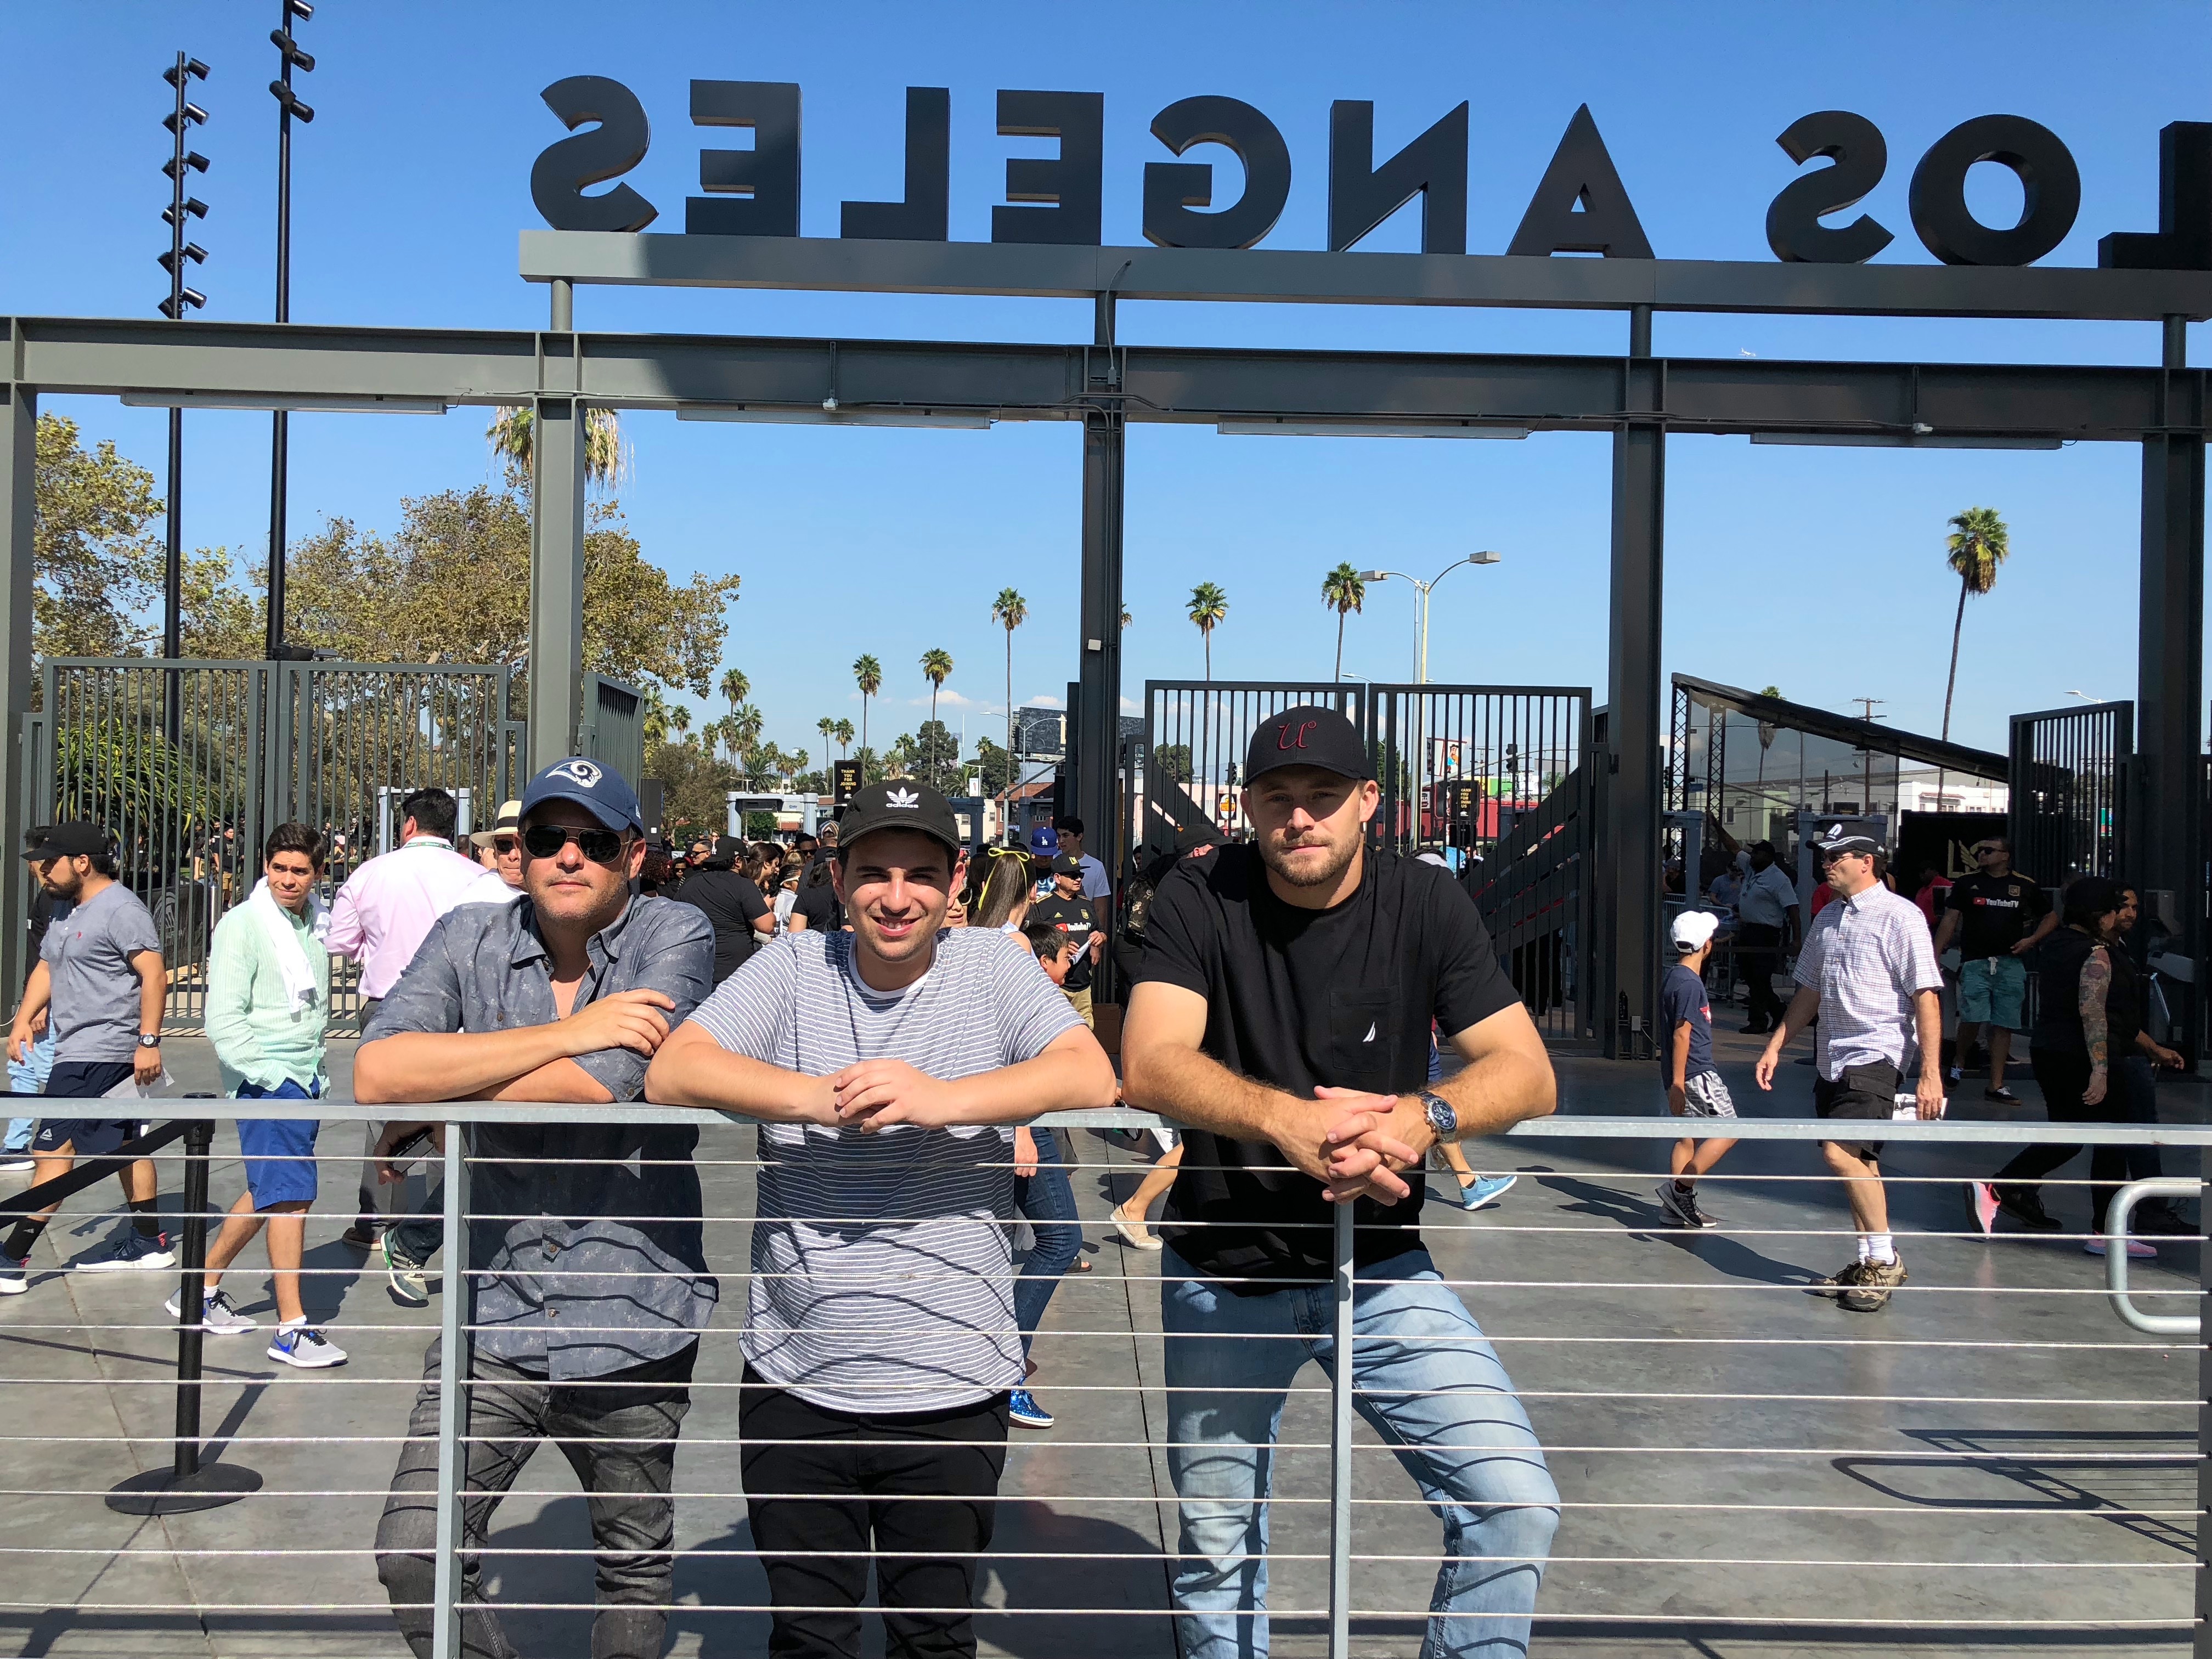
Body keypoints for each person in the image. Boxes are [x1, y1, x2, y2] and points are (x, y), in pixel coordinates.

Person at [1120, 704, 1561, 1659]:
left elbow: (1528, 1072)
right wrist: (1289, 1122)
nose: (1299, 818)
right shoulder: (1202, 894)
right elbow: (1149, 1061)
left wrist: (1419, 1116)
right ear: (1247, 806)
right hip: (1224, 1269)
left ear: (1368, 801)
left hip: (1382, 1263)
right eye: (1277, 797)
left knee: (1512, 1501)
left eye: (1322, 795)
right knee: (1217, 1546)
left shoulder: (1426, 901)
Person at [644, 780, 1116, 1659]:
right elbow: (675, 1068)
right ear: (838, 877)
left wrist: (942, 1099)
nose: (897, 898)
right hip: (796, 1380)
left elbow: (1088, 1073)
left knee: (932, 1637)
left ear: (957, 879)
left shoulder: (993, 966)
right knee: (807, 1637)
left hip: (952, 1385)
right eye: (874, 874)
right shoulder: (796, 967)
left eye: (920, 875)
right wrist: (816, 1098)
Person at [359, 757, 716, 1659]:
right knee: (413, 1551)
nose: (568, 855)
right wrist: (570, 1031)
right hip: (493, 1317)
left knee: (632, 1574)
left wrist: (447, 1087)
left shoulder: (674, 932)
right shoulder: (467, 934)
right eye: (548, 837)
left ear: (634, 854)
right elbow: (377, 1070)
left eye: (594, 840)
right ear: (518, 851)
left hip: (633, 1318)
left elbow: (605, 1084)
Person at [171, 822, 345, 1367]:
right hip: (269, 1082)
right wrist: (271, 1079)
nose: (287, 880)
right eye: (278, 869)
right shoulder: (242, 925)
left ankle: (198, 1289)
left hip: (307, 1077)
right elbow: (223, 1021)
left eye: (299, 871)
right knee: (292, 1198)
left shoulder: (317, 923)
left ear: (319, 874)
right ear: (265, 867)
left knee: (267, 1187)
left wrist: (308, 1078)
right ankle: (291, 1330)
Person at [1754, 824, 1944, 1314]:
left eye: (1836, 856)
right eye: (1824, 855)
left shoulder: (1901, 916)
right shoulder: (1828, 917)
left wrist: (1931, 1072)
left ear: (1867, 861)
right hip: (1833, 1056)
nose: (1827, 863)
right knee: (1863, 1162)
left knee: (1839, 1153)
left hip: (1877, 1054)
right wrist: (1776, 1045)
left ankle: (1885, 1260)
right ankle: (1867, 1263)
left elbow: (1925, 995)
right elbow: (1810, 991)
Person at [326, 786, 513, 1250]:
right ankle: (442, 1222)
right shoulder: (477, 878)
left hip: (388, 1004)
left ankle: (377, 1222)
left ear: (409, 824)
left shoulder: (371, 873)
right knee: (450, 1114)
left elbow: (340, 941)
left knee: (383, 1111)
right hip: (458, 1007)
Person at [1966, 876, 2180, 1252]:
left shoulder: (2059, 944)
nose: (2121, 916)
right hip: (2082, 1055)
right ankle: (2105, 1231)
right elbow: (2093, 1013)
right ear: (2100, 915)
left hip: (2053, 1052)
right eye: (2115, 909)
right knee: (2110, 1140)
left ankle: (2004, 1187)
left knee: (2071, 1134)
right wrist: (2100, 1069)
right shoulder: (2096, 954)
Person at [0, 823, 172, 1288]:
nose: (42, 872)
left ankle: (10, 1258)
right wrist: (23, 1018)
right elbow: (46, 966)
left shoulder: (122, 909)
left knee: (52, 1151)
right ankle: (149, 1241)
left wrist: (149, 1042)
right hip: (75, 1047)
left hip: (105, 1050)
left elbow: (154, 975)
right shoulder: (64, 907)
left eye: (50, 863)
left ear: (82, 863)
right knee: (125, 1146)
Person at [1007, 919, 1086, 1429]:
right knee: (1061, 1239)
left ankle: (1000, 1363)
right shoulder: (1009, 948)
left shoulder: (993, 946)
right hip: (1018, 1125)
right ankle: (1006, 1368)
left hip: (1019, 1121)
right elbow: (1007, 1050)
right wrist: (1019, 1127)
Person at [1933, 836, 2054, 1105]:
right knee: (1972, 1018)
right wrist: (1934, 955)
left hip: (2010, 962)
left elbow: (2051, 915)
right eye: (1980, 850)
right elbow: (1950, 921)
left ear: (2005, 855)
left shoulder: (2024, 885)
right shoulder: (1967, 883)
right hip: (1975, 961)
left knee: (2004, 1023)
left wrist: (2032, 940)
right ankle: (1959, 1061)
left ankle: (1996, 1084)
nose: (1982, 854)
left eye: (1989, 850)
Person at [1656, 910, 1737, 1228]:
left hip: (1679, 1071)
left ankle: (1673, 1209)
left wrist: (1674, 1080)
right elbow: (1682, 1033)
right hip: (1696, 1071)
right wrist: (1679, 1083)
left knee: (1686, 1137)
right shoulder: (1691, 985)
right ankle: (1680, 1190)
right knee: (1731, 1129)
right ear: (1707, 946)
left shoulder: (1675, 977)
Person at [3, 827, 60, 1173]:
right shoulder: (49, 896)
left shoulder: (54, 899)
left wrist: (39, 1005)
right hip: (41, 1001)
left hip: (47, 1003)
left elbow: (50, 958)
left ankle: (120, 1118)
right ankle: (15, 1144)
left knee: (46, 1070)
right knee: (24, 1066)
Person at [670, 834, 774, 983]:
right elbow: (767, 926)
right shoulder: (743, 885)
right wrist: (766, 907)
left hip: (696, 968)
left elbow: (673, 919)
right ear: (738, 861)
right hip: (734, 972)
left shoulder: (691, 884)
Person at [1032, 853, 1105, 1027]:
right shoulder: (1043, 906)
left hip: (1083, 986)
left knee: (1085, 1032)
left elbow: (1099, 931)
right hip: (1055, 987)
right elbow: (1033, 942)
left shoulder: (1086, 904)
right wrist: (1059, 946)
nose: (1078, 879)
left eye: (1080, 875)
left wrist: (1099, 940)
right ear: (1057, 878)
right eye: (1073, 875)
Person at [1734, 840, 1798, 1035]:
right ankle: (1778, 1010)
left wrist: (1797, 939)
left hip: (1766, 933)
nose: (1752, 856)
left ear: (1768, 857)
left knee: (1760, 977)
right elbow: (1733, 848)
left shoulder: (1779, 879)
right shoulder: (1751, 868)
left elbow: (1793, 908)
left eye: (1757, 853)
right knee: (1749, 976)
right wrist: (1717, 828)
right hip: (1747, 929)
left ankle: (1758, 1020)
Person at [468, 798, 524, 888]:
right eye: (504, 845)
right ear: (495, 851)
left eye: (521, 846)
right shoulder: (481, 892)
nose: (513, 856)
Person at [1054, 817, 1112, 901]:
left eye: (1066, 836)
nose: (1061, 840)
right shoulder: (1053, 860)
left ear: (1079, 837)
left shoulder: (1096, 866)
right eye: (1059, 836)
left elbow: (1100, 905)